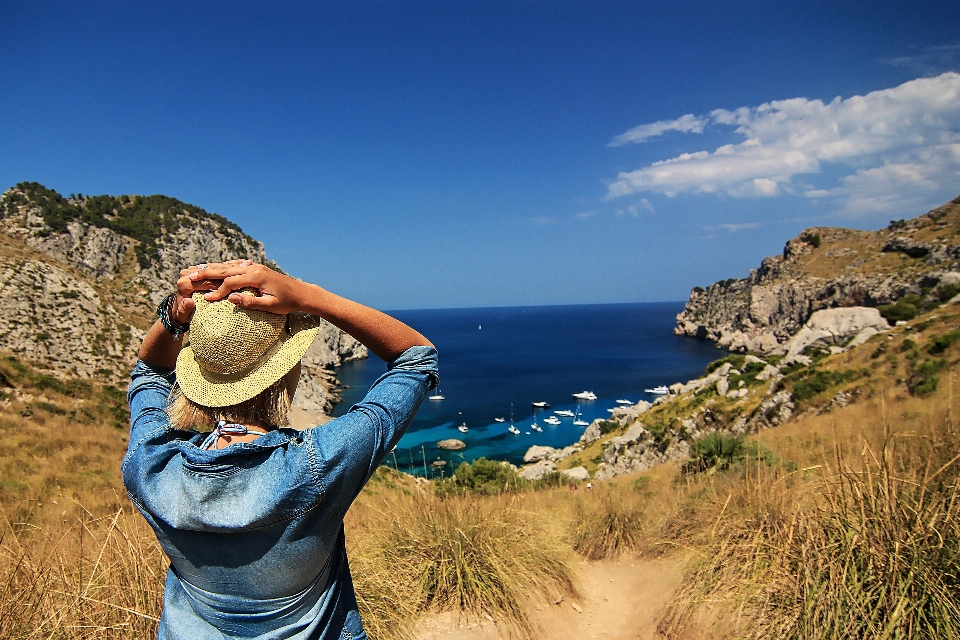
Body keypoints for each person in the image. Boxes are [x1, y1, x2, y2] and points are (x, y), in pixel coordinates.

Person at [123, 260, 437, 639]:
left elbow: (150, 372)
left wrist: (175, 314)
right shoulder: (318, 464)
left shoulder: (153, 465)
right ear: (284, 371)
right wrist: (306, 295)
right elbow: (417, 358)